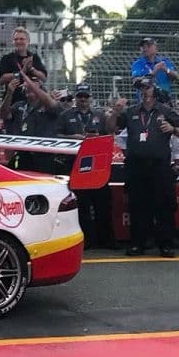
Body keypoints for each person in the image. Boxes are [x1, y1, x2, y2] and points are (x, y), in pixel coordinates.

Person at [106, 77, 179, 258]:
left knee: (164, 206)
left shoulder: (165, 110)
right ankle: (138, 244)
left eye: (147, 87)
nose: (144, 91)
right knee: (137, 206)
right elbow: (111, 128)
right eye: (140, 88)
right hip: (136, 166)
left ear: (154, 89)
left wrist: (173, 129)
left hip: (160, 166)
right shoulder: (130, 111)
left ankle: (165, 244)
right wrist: (115, 112)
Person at [56, 82, 113, 249]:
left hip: (96, 166)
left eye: (86, 97)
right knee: (82, 206)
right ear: (75, 98)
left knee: (102, 204)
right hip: (75, 164)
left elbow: (108, 134)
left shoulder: (99, 115)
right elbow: (57, 135)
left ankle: (107, 239)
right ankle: (85, 240)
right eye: (80, 97)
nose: (83, 100)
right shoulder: (66, 115)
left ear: (91, 98)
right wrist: (74, 137)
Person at [0, 71, 60, 172]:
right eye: (28, 85)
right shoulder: (19, 106)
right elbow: (4, 115)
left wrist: (33, 86)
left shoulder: (48, 104)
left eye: (33, 84)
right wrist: (9, 93)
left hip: (45, 154)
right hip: (24, 154)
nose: (29, 87)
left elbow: (52, 106)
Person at [0, 27, 47, 104]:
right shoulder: (7, 58)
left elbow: (43, 77)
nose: (18, 41)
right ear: (12, 42)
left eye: (21, 39)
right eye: (16, 39)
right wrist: (21, 72)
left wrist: (31, 69)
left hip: (33, 101)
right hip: (13, 100)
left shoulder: (34, 57)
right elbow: (1, 80)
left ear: (28, 41)